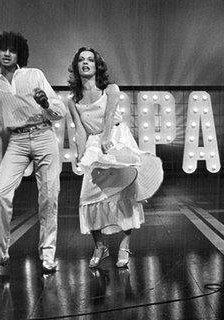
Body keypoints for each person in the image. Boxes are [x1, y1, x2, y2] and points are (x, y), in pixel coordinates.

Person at [0, 31, 65, 275]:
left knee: (49, 197)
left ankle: (48, 253)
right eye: (3, 49)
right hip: (17, 141)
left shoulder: (34, 74)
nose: (7, 53)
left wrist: (46, 103)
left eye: (12, 49)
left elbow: (59, 111)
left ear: (20, 54)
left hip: (43, 136)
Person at [67, 47, 163, 268]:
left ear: (96, 65)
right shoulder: (72, 100)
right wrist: (80, 154)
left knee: (124, 193)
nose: (85, 63)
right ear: (76, 66)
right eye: (81, 60)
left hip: (117, 139)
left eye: (90, 59)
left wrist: (108, 139)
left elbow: (110, 115)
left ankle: (125, 245)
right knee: (88, 197)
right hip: (94, 144)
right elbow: (80, 129)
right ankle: (100, 246)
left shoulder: (110, 89)